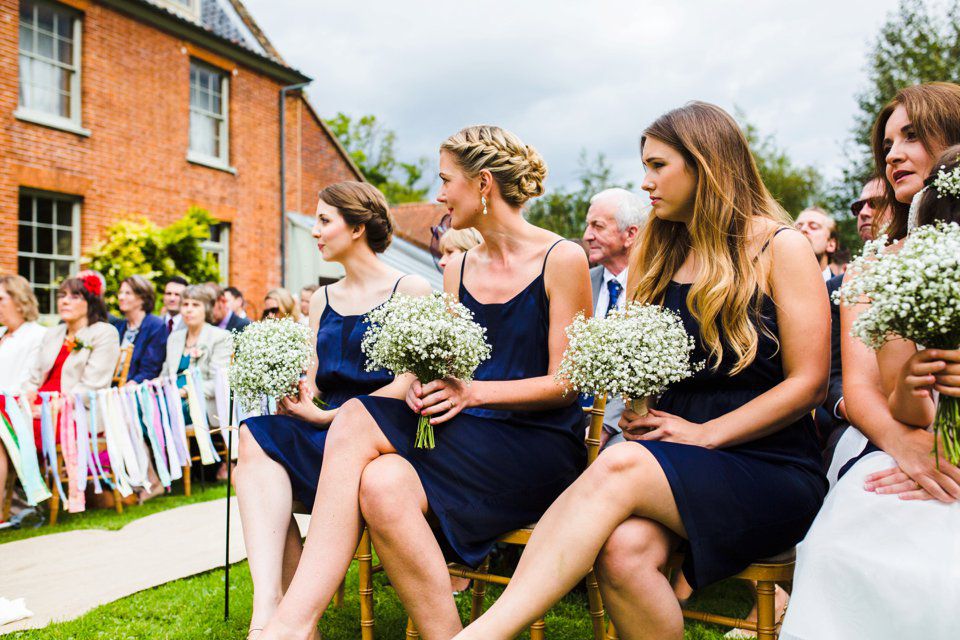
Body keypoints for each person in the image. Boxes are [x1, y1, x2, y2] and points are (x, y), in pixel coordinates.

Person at [453, 103, 828, 640]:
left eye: (658, 166)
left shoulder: (780, 246)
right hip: (675, 453)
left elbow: (809, 383)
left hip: (769, 462)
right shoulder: (659, 245)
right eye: (645, 167)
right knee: (623, 551)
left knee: (620, 464)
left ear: (705, 165)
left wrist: (705, 433)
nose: (646, 182)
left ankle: (484, 634)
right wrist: (638, 406)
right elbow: (639, 354)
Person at [257, 125, 591, 640]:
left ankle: (290, 624)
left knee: (355, 416)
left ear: (483, 183)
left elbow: (568, 383)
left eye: (445, 180)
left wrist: (473, 393)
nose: (439, 195)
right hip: (466, 433)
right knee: (381, 483)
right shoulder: (459, 268)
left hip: (537, 446)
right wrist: (426, 382)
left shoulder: (562, 258)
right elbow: (449, 364)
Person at [781, 84, 960, 640]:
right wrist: (909, 449)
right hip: (889, 436)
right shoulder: (870, 268)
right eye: (886, 145)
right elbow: (859, 388)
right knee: (846, 549)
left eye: (912, 136)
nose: (893, 155)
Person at [236, 181, 430, 638]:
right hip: (327, 428)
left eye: (324, 220)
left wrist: (326, 417)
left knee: (271, 454)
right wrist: (289, 387)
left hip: (385, 437)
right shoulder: (322, 299)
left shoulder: (410, 288)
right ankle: (269, 609)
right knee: (254, 436)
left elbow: (407, 383)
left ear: (358, 227)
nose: (315, 231)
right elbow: (317, 377)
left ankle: (286, 622)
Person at [818, 178, 889, 479]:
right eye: (858, 206)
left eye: (875, 203)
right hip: (856, 421)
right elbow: (832, 373)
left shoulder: (942, 266)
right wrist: (862, 410)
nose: (863, 212)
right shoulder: (836, 290)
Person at [583, 187, 648, 448]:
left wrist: (604, 425)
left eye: (597, 226)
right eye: (588, 225)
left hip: (627, 422)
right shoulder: (582, 282)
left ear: (630, 234)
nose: (587, 236)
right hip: (572, 414)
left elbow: (650, 374)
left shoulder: (654, 286)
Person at [23, 276, 120, 449]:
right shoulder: (53, 333)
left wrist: (52, 407)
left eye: (75, 296)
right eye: (62, 295)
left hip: (74, 412)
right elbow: (34, 375)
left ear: (91, 302)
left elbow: (92, 386)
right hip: (40, 402)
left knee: (14, 429)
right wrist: (27, 398)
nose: (65, 301)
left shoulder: (104, 333)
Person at [0, 275, 47, 519]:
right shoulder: (1, 334)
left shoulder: (37, 335)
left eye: (1, 299)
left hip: (16, 409)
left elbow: (27, 382)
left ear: (19, 301)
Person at [161, 285, 233, 430]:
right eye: (185, 304)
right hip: (170, 397)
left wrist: (185, 391)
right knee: (139, 406)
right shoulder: (174, 338)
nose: (189, 309)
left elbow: (218, 382)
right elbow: (165, 374)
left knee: (163, 411)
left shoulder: (220, 337)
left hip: (199, 403)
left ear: (206, 308)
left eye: (195, 305)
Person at [111, 275, 167, 385]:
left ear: (142, 298)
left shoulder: (156, 326)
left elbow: (150, 369)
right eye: (120, 292)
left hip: (136, 389)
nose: (121, 297)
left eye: (128, 293)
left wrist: (131, 385)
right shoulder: (118, 326)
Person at [794, 206, 840, 280]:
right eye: (798, 227)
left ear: (831, 244)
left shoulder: (843, 286)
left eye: (813, 226)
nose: (803, 229)